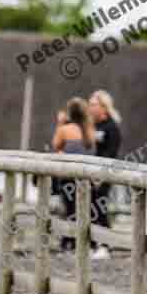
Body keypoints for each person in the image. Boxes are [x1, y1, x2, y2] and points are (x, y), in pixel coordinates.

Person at [51, 98, 96, 252]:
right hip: (86, 176)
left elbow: (56, 145)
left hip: (68, 176)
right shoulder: (90, 130)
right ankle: (85, 241)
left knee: (69, 210)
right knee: (85, 209)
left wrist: (60, 123)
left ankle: (68, 240)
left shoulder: (65, 129)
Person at [88, 90, 122, 259]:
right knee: (89, 207)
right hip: (91, 171)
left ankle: (105, 245)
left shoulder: (111, 126)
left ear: (103, 107)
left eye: (93, 104)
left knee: (99, 207)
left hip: (105, 172)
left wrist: (101, 174)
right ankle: (93, 244)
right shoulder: (93, 125)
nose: (90, 107)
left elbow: (111, 152)